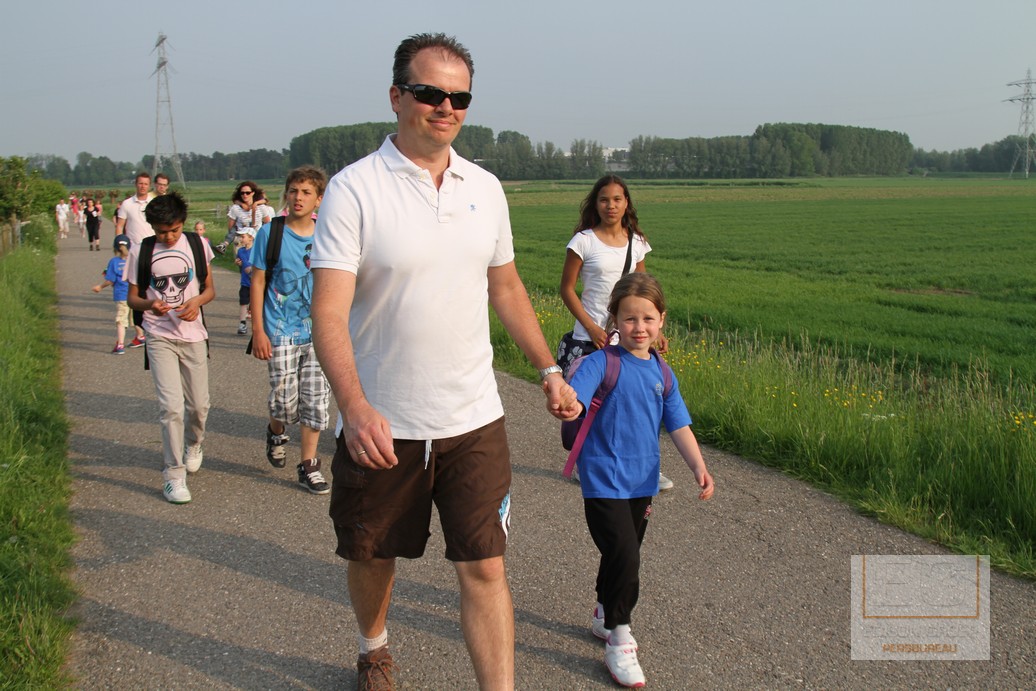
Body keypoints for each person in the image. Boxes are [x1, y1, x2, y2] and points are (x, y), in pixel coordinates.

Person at [310, 33, 578, 691]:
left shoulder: (484, 187)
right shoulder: (354, 189)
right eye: (430, 93)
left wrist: (548, 370)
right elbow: (328, 313)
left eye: (460, 98)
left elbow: (505, 287)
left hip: (473, 418)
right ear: (397, 96)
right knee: (374, 553)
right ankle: (374, 649)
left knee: (485, 565)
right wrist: (354, 406)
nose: (446, 107)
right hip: (383, 424)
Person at [563, 272, 714, 687]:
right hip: (602, 479)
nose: (639, 327)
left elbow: (678, 423)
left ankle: (603, 611)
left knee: (621, 553)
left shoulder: (662, 373)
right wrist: (569, 404)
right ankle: (620, 637)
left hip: (642, 482)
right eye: (629, 318)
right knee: (626, 555)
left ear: (661, 320)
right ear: (614, 319)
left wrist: (698, 466)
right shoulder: (601, 363)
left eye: (648, 318)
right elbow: (577, 396)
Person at [559, 175, 675, 491]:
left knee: (637, 403)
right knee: (592, 405)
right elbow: (567, 289)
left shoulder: (636, 242)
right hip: (590, 338)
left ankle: (646, 467)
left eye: (617, 199)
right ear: (595, 204)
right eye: (604, 199)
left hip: (628, 336)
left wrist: (654, 331)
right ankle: (586, 462)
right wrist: (592, 327)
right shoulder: (583, 241)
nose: (611, 205)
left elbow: (644, 291)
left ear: (626, 204)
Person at [126, 192, 215, 504]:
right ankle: (173, 475)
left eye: (174, 230)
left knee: (199, 406)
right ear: (152, 227)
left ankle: (194, 443)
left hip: (193, 334)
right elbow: (132, 298)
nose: (169, 236)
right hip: (158, 334)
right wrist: (151, 304)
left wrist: (196, 302)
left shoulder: (197, 245)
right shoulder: (141, 251)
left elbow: (209, 290)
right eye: (162, 231)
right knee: (171, 407)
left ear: (183, 223)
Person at [251, 166, 334, 496]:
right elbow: (258, 281)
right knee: (284, 402)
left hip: (319, 333)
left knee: (315, 400)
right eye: (294, 191)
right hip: (280, 330)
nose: (298, 198)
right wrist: (258, 330)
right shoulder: (270, 233)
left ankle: (309, 465)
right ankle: (276, 431)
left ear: (319, 199)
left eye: (306, 192)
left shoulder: (327, 234)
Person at [115, 172, 156, 348]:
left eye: (146, 184)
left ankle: (153, 324)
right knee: (136, 289)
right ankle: (140, 331)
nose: (143, 186)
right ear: (136, 184)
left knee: (154, 286)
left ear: (149, 185)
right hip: (134, 251)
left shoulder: (153, 202)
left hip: (153, 249)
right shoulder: (127, 204)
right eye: (140, 183)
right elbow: (120, 226)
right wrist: (119, 246)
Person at [92, 233, 132, 354]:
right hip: (135, 295)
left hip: (122, 295)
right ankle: (141, 337)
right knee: (135, 319)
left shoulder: (114, 262)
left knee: (121, 320)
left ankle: (120, 345)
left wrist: (100, 287)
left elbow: (110, 280)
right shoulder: (134, 260)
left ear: (115, 248)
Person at [215, 181, 270, 255]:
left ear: (253, 193)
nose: (245, 195)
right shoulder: (236, 208)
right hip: (240, 241)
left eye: (248, 193)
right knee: (242, 261)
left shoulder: (261, 207)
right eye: (242, 193)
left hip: (256, 240)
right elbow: (230, 226)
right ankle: (224, 245)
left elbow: (268, 223)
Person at [234, 228, 255, 334]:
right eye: (240, 237)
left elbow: (260, 263)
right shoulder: (241, 251)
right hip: (245, 282)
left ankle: (258, 326)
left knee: (256, 303)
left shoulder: (256, 250)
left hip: (256, 283)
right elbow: (241, 265)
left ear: (251, 238)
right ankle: (242, 324)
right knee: (243, 302)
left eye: (243, 237)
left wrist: (252, 268)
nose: (241, 239)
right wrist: (238, 263)